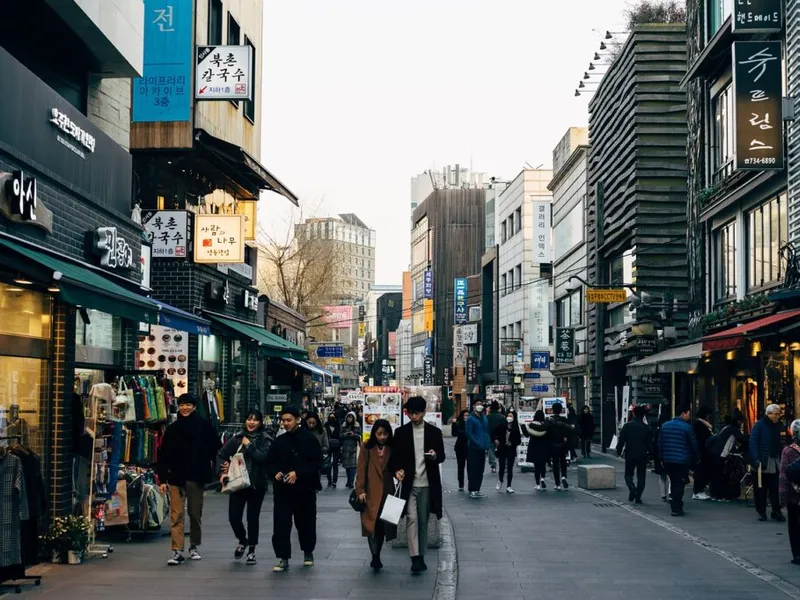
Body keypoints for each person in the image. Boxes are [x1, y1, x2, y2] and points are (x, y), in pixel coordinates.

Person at [156, 393, 221, 566]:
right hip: (175, 477)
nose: (185, 408)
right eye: (182, 405)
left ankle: (194, 546)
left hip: (196, 476)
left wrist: (215, 466)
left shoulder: (204, 426)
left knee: (194, 513)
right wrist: (162, 478)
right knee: (176, 515)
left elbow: (216, 447)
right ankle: (177, 550)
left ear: (194, 406)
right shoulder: (173, 429)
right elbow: (163, 454)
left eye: (188, 405)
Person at [388, 396, 445, 574]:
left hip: (428, 483)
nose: (414, 417)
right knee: (412, 518)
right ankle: (415, 557)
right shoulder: (401, 432)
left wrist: (435, 456)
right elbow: (394, 459)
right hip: (409, 484)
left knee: (423, 520)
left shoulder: (434, 432)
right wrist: (397, 470)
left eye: (417, 413)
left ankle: (421, 555)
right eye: (411, 413)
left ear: (424, 412)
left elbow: (442, 456)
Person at [265, 406, 323, 573]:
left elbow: (316, 463)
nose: (285, 423)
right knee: (281, 524)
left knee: (306, 522)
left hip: (304, 489)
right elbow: (270, 462)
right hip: (283, 490)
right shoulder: (279, 441)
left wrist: (298, 473)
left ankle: (308, 552)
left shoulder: (309, 439)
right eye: (283, 420)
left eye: (289, 420)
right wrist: (275, 473)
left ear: (298, 420)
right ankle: (283, 557)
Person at [217, 410, 273, 565]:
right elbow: (221, 454)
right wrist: (222, 471)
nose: (251, 422)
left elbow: (262, 458)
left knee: (252, 518)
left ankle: (252, 550)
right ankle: (243, 539)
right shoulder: (237, 438)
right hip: (237, 483)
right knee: (233, 517)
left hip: (256, 485)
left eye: (255, 420)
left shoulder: (266, 439)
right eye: (249, 419)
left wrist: (248, 445)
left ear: (260, 423)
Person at [355, 419, 397, 571]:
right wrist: (360, 490)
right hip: (370, 491)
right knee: (371, 525)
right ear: (374, 433)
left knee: (382, 526)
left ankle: (377, 554)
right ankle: (374, 556)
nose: (382, 437)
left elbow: (396, 466)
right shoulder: (367, 446)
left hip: (387, 491)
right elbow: (361, 469)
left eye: (385, 434)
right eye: (379, 434)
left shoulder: (392, 447)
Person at [658, 404, 699, 517]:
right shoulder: (687, 427)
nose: (689, 417)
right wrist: (697, 457)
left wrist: (661, 458)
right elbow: (693, 444)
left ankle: (677, 504)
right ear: (683, 414)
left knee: (674, 481)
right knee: (679, 484)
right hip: (682, 460)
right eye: (688, 414)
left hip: (668, 460)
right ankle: (675, 507)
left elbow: (660, 443)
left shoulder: (665, 426)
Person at [750, 404, 786, 522]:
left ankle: (776, 510)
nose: (777, 416)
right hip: (763, 460)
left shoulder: (778, 426)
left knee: (775, 487)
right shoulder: (759, 425)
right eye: (775, 414)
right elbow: (753, 443)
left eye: (778, 414)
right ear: (768, 414)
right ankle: (762, 511)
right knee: (761, 488)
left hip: (775, 459)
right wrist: (756, 459)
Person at [616, 405, 653, 504]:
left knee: (628, 474)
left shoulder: (627, 426)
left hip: (630, 453)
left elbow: (621, 440)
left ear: (633, 414)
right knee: (641, 476)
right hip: (642, 454)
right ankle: (638, 496)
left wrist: (619, 450)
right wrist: (652, 455)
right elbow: (650, 444)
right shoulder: (647, 428)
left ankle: (632, 488)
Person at [708, 413, 748, 501]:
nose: (741, 423)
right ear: (738, 421)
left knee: (716, 474)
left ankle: (715, 494)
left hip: (715, 452)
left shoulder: (727, 427)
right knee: (720, 474)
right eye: (741, 421)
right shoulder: (734, 429)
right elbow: (743, 439)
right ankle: (720, 495)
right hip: (721, 453)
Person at [779, 419, 800, 565]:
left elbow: (783, 476)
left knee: (794, 525)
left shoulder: (788, 451)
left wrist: (782, 498)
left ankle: (797, 555)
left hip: (794, 495)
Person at [465, 399, 492, 499]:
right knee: (473, 468)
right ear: (474, 406)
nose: (479, 406)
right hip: (473, 447)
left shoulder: (484, 418)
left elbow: (487, 431)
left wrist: (487, 443)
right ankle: (472, 489)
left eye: (481, 404)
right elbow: (468, 433)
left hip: (482, 447)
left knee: (480, 469)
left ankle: (477, 489)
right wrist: (476, 442)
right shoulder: (471, 419)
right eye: (477, 404)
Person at [492, 408, 521, 493]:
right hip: (502, 449)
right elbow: (493, 434)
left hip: (511, 450)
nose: (509, 417)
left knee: (510, 468)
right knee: (501, 467)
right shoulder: (502, 426)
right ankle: (500, 480)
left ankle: (509, 485)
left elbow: (518, 440)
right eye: (508, 416)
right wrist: (495, 440)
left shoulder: (516, 428)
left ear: (514, 418)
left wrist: (512, 443)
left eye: (511, 416)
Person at [522, 410, 550, 490]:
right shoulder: (546, 425)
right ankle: (543, 478)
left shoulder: (531, 425)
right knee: (543, 465)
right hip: (544, 447)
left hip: (534, 447)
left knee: (537, 466)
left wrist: (523, 426)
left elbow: (527, 435)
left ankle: (537, 484)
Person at [691, 406, 714, 501]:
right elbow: (702, 439)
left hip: (701, 452)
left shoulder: (699, 424)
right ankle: (697, 491)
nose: (710, 418)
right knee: (700, 472)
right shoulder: (699, 424)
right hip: (701, 452)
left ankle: (699, 490)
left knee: (701, 471)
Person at [548, 402, 573, 491]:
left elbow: (548, 432)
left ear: (553, 409)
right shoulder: (564, 419)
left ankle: (557, 484)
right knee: (563, 461)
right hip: (563, 444)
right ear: (561, 410)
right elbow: (569, 432)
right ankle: (563, 476)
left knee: (555, 464)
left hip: (553, 444)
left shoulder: (550, 420)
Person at [654, 410, 671, 503]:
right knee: (670, 476)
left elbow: (655, 444)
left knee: (661, 476)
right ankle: (670, 493)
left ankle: (663, 495)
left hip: (659, 456)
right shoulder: (669, 430)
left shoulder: (658, 430)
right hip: (669, 455)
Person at [341, 412, 362, 488]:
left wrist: (354, 435)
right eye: (348, 417)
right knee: (347, 466)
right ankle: (349, 479)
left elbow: (360, 436)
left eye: (351, 417)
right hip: (345, 447)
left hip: (354, 447)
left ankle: (351, 481)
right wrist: (346, 434)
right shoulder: (343, 425)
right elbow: (340, 435)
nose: (349, 419)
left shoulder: (357, 425)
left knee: (353, 466)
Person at [451, 410, 469, 492]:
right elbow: (454, 433)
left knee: (470, 467)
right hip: (460, 447)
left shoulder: (471, 424)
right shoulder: (458, 423)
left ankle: (471, 483)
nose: (466, 417)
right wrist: (453, 424)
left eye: (468, 415)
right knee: (461, 466)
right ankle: (461, 484)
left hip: (469, 447)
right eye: (465, 415)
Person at [324, 413, 342, 488]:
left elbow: (340, 436)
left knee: (335, 463)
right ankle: (329, 480)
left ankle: (334, 481)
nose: (332, 418)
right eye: (330, 417)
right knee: (327, 464)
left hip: (336, 446)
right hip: (328, 446)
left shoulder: (338, 425)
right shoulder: (325, 425)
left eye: (333, 417)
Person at [486, 401, 504, 474]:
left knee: (491, 451)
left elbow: (486, 428)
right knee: (502, 452)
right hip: (500, 437)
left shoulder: (487, 417)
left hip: (490, 436)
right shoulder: (502, 417)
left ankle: (493, 466)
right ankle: (503, 465)